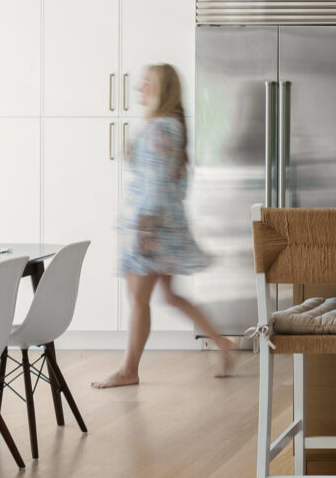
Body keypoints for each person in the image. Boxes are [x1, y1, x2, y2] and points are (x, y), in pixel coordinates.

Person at [94, 64, 235, 388]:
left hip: (151, 226)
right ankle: (222, 342)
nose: (140, 88)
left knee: (139, 298)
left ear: (162, 90)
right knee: (168, 295)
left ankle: (129, 370)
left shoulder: (159, 129)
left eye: (148, 84)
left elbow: (157, 184)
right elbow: (179, 185)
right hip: (165, 224)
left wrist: (145, 228)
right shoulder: (173, 127)